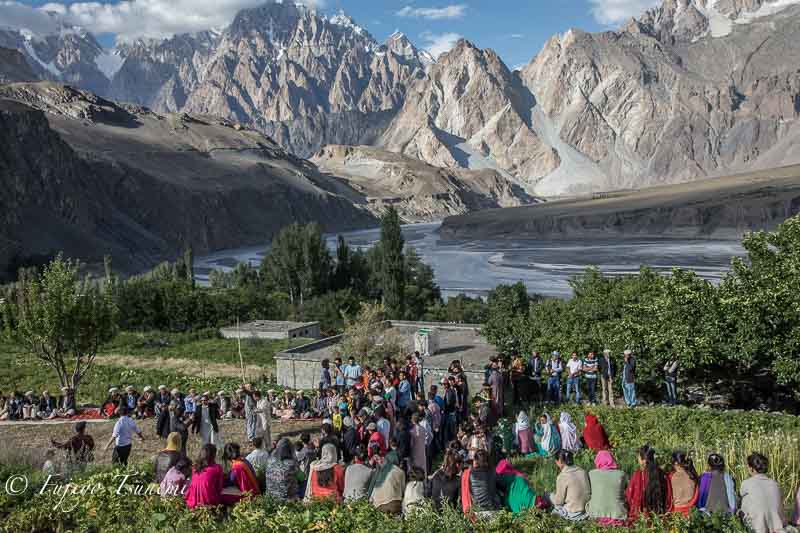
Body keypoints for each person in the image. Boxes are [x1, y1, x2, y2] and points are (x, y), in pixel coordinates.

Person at [740, 452, 786, 533]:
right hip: (776, 524)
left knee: (743, 504)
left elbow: (741, 497)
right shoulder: (775, 484)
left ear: (751, 468)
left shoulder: (746, 483)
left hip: (757, 527)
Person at [626, 445, 669, 522]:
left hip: (641, 518)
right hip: (660, 516)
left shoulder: (638, 475)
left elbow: (629, 497)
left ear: (643, 460)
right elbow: (668, 494)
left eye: (638, 457)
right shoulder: (662, 474)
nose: (637, 459)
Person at [587, 450, 627, 526]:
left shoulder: (591, 473)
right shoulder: (621, 474)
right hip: (617, 514)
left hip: (595, 514)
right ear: (612, 460)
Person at [549, 450, 590, 521]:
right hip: (587, 509)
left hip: (573, 512)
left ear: (560, 461)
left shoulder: (562, 476)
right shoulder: (583, 471)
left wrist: (550, 496)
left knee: (550, 498)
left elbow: (559, 501)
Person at [462, 449, 501, 515]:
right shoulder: (493, 472)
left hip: (477, 511)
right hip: (494, 509)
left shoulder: (469, 474)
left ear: (475, 460)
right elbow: (501, 485)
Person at [185, 443, 224, 508]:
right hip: (208, 502)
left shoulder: (195, 467)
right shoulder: (217, 468)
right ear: (213, 455)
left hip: (192, 501)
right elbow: (219, 488)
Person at [368, 450, 406, 514]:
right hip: (395, 504)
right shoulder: (401, 472)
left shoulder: (380, 471)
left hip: (379, 506)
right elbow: (403, 491)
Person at [668, 451, 698, 516]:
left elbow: (668, 497)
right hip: (690, 513)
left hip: (675, 514)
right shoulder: (693, 476)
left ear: (675, 463)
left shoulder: (671, 477)